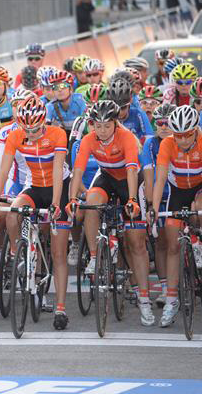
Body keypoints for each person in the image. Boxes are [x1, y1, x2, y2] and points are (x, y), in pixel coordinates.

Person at [67, 100, 154, 327]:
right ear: (92, 124)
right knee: (91, 202)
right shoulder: (88, 139)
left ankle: (144, 300)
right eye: (98, 125)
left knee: (135, 243)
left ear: (115, 123)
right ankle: (95, 256)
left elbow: (133, 170)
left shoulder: (125, 137)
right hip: (107, 176)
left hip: (129, 180)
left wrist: (133, 200)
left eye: (107, 126)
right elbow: (77, 171)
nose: (102, 130)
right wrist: (73, 199)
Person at [0, 96, 72, 330]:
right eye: (26, 128)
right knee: (13, 213)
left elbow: (58, 171)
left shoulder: (57, 134)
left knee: (58, 253)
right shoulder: (16, 136)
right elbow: (4, 170)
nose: (31, 133)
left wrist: (57, 204)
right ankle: (19, 255)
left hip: (60, 187)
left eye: (36, 129)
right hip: (34, 185)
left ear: (44, 122)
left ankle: (60, 308)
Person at [148, 105, 202, 327]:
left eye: (187, 135)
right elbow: (160, 179)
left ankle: (198, 242)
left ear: (196, 130)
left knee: (199, 207)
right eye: (177, 135)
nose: (182, 140)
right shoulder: (168, 144)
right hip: (177, 190)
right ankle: (172, 299)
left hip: (199, 187)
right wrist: (153, 208)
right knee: (172, 244)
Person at [140, 103, 175, 309]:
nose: (163, 126)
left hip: (180, 191)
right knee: (162, 243)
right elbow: (148, 175)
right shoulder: (150, 144)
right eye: (159, 123)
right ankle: (164, 287)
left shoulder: (184, 139)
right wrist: (152, 204)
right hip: (159, 193)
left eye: (168, 123)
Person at [45, 70, 87, 140]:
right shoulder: (50, 106)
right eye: (56, 87)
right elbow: (45, 129)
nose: (60, 90)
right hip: (62, 138)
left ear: (70, 88)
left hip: (81, 137)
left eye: (63, 86)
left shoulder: (81, 101)